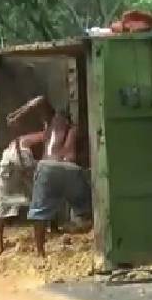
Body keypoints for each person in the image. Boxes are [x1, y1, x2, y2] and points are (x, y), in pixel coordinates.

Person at [8, 96, 91, 257]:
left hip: (48, 166)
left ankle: (40, 252)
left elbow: (40, 100)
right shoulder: (75, 129)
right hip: (71, 169)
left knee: (39, 212)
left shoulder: (51, 123)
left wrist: (17, 115)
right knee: (86, 209)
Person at [0, 129, 45, 255]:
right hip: (22, 158)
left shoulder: (24, 138)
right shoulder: (47, 135)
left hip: (9, 161)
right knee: (37, 203)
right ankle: (40, 249)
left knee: (3, 202)